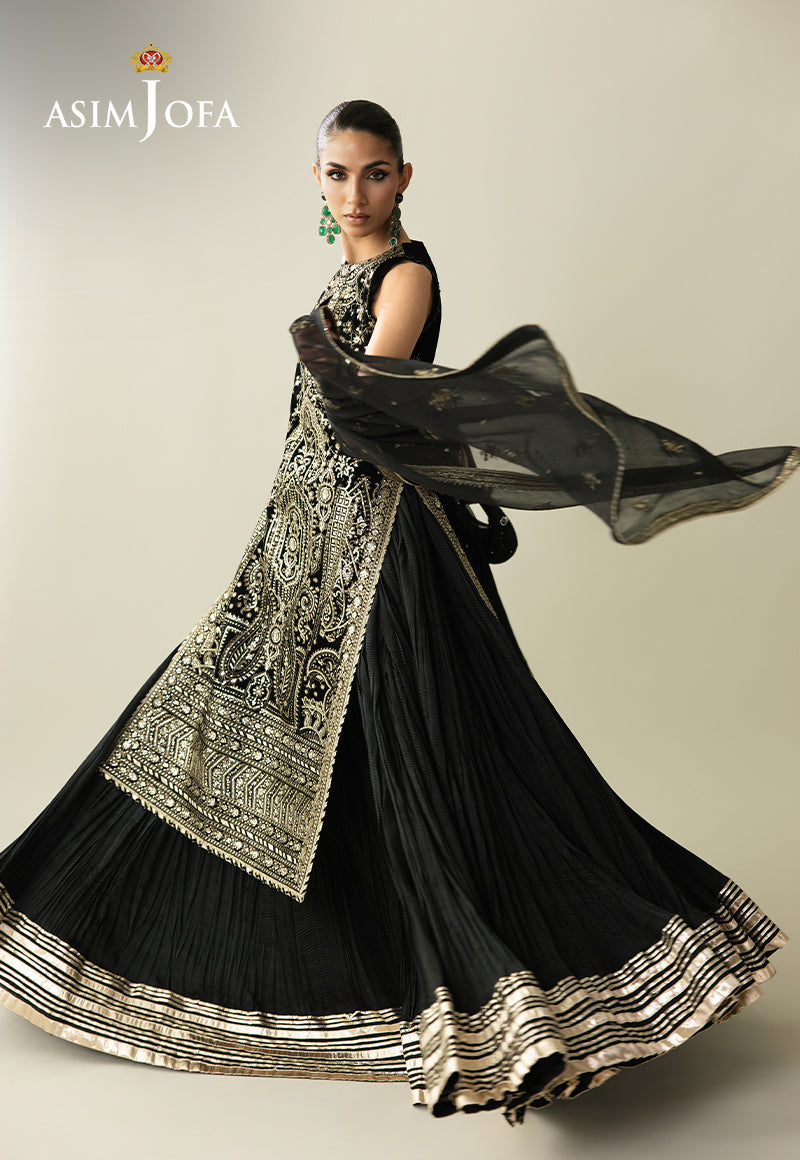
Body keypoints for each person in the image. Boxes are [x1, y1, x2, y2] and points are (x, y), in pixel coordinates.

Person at [0, 99, 795, 1127]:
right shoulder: (345, 270)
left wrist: (312, 349)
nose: (354, 194)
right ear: (315, 179)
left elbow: (365, 402)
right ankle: (81, 924)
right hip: (308, 541)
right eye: (336, 174)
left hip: (382, 550)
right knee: (205, 719)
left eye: (373, 173)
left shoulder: (404, 274)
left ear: (404, 177)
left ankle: (510, 993)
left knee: (420, 754)